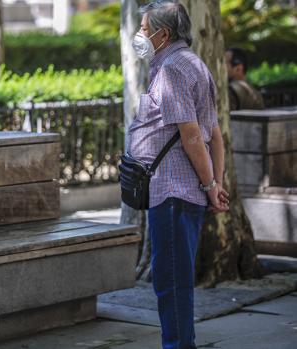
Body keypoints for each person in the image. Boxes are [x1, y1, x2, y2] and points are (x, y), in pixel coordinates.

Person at [128, 1, 230, 348]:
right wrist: (215, 184)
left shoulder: (172, 68)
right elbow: (214, 134)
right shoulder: (195, 64)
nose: (140, 35)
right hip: (185, 193)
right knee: (177, 281)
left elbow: (191, 135)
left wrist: (210, 184)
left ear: (163, 33)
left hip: (173, 192)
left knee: (171, 283)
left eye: (144, 29)